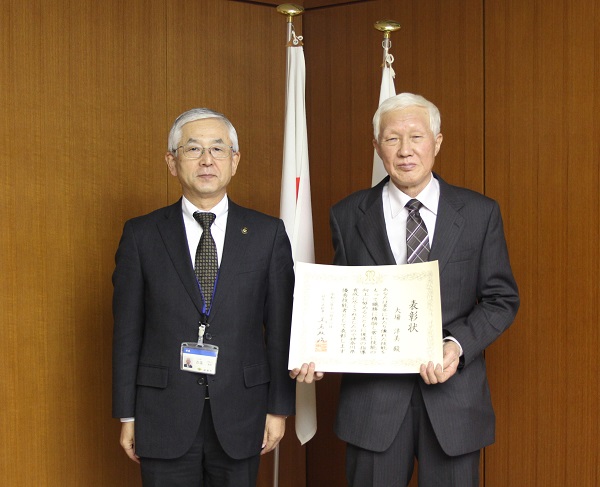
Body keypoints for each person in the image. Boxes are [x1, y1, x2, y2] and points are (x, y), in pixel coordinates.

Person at [291, 93, 519, 486]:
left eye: (416, 136)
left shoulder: (480, 213)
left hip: (453, 401)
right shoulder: (347, 214)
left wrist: (457, 345)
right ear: (377, 147)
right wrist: (316, 347)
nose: (405, 150)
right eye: (393, 139)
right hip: (372, 406)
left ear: (438, 141)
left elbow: (501, 299)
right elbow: (342, 298)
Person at [112, 108, 296, 486]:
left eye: (218, 148)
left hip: (243, 413)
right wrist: (127, 415)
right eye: (193, 149)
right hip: (163, 414)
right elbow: (127, 333)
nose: (207, 159)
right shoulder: (141, 235)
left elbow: (280, 329)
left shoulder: (267, 234)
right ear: (172, 161)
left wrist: (278, 409)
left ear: (235, 160)